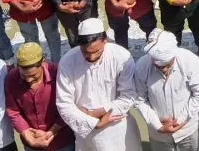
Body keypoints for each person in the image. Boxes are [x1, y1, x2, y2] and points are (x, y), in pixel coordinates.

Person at [54, 18, 142, 151]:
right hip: (85, 127)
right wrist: (93, 122)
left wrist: (96, 112)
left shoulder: (122, 56)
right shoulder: (67, 61)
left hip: (117, 124)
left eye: (96, 51)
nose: (91, 57)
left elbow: (128, 96)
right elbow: (63, 103)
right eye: (86, 52)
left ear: (105, 40)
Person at [133, 31, 199, 151]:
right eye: (159, 67)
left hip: (188, 130)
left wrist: (181, 121)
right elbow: (139, 100)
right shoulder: (142, 66)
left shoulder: (190, 61)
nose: (164, 69)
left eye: (168, 65)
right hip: (158, 134)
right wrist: (157, 125)